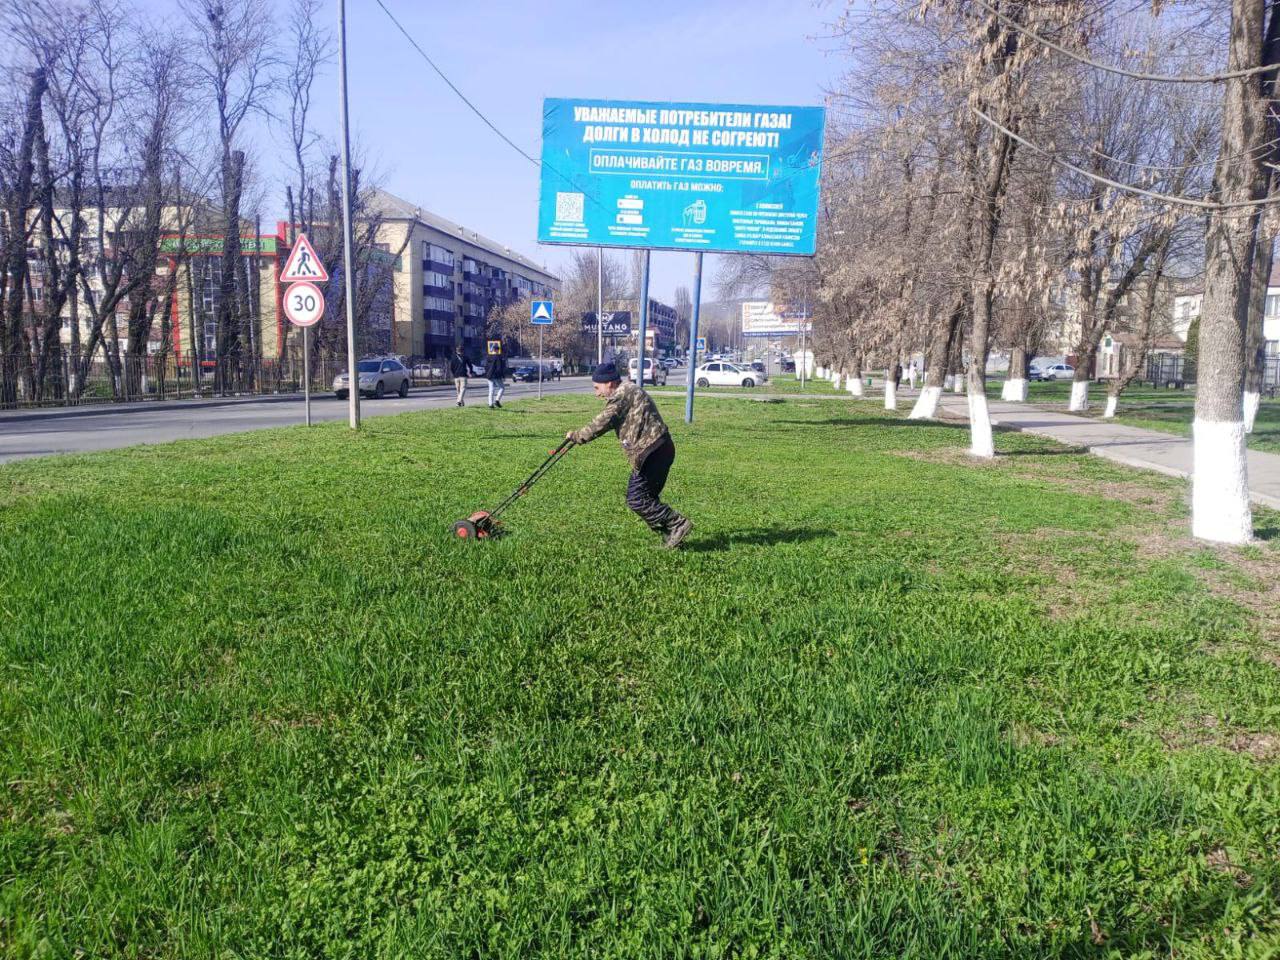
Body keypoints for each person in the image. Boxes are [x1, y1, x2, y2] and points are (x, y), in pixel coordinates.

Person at [566, 361, 693, 549]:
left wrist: (577, 436)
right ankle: (672, 535)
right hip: (658, 449)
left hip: (653, 451)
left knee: (637, 498)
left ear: (608, 383)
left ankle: (678, 524)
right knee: (646, 498)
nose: (597, 393)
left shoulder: (622, 394)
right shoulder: (628, 390)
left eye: (597, 387)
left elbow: (603, 421)